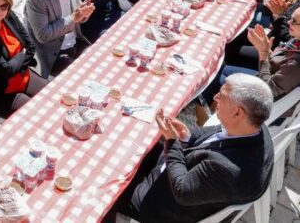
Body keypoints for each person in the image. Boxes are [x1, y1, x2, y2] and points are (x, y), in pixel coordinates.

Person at [106, 74, 274, 223]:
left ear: (238, 113)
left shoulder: (227, 168)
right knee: (134, 143)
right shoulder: (255, 127)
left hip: (159, 205)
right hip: (185, 173)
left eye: (221, 96)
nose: (215, 97)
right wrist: (187, 135)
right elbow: (214, 132)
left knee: (107, 184)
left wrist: (172, 142)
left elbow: (182, 190)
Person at [24, 0, 95, 78]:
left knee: (97, 62)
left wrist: (84, 14)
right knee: (82, 75)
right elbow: (43, 35)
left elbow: (77, 18)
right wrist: (73, 18)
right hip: (54, 53)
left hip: (75, 42)